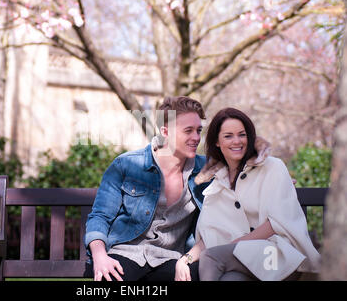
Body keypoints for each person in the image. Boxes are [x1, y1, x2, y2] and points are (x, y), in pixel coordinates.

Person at [175, 107, 321, 281]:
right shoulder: (216, 185)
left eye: (242, 134)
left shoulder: (272, 167)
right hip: (243, 260)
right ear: (217, 142)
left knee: (211, 258)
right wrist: (185, 260)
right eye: (228, 136)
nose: (237, 141)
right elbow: (211, 236)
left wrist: (233, 247)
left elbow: (277, 222)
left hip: (278, 256)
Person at [83, 96, 210, 281]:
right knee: (110, 278)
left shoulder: (206, 170)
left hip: (173, 259)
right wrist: (100, 256)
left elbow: (239, 155)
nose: (196, 138)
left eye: (199, 130)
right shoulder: (126, 165)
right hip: (126, 253)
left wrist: (255, 145)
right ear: (165, 131)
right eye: (188, 131)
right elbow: (100, 216)